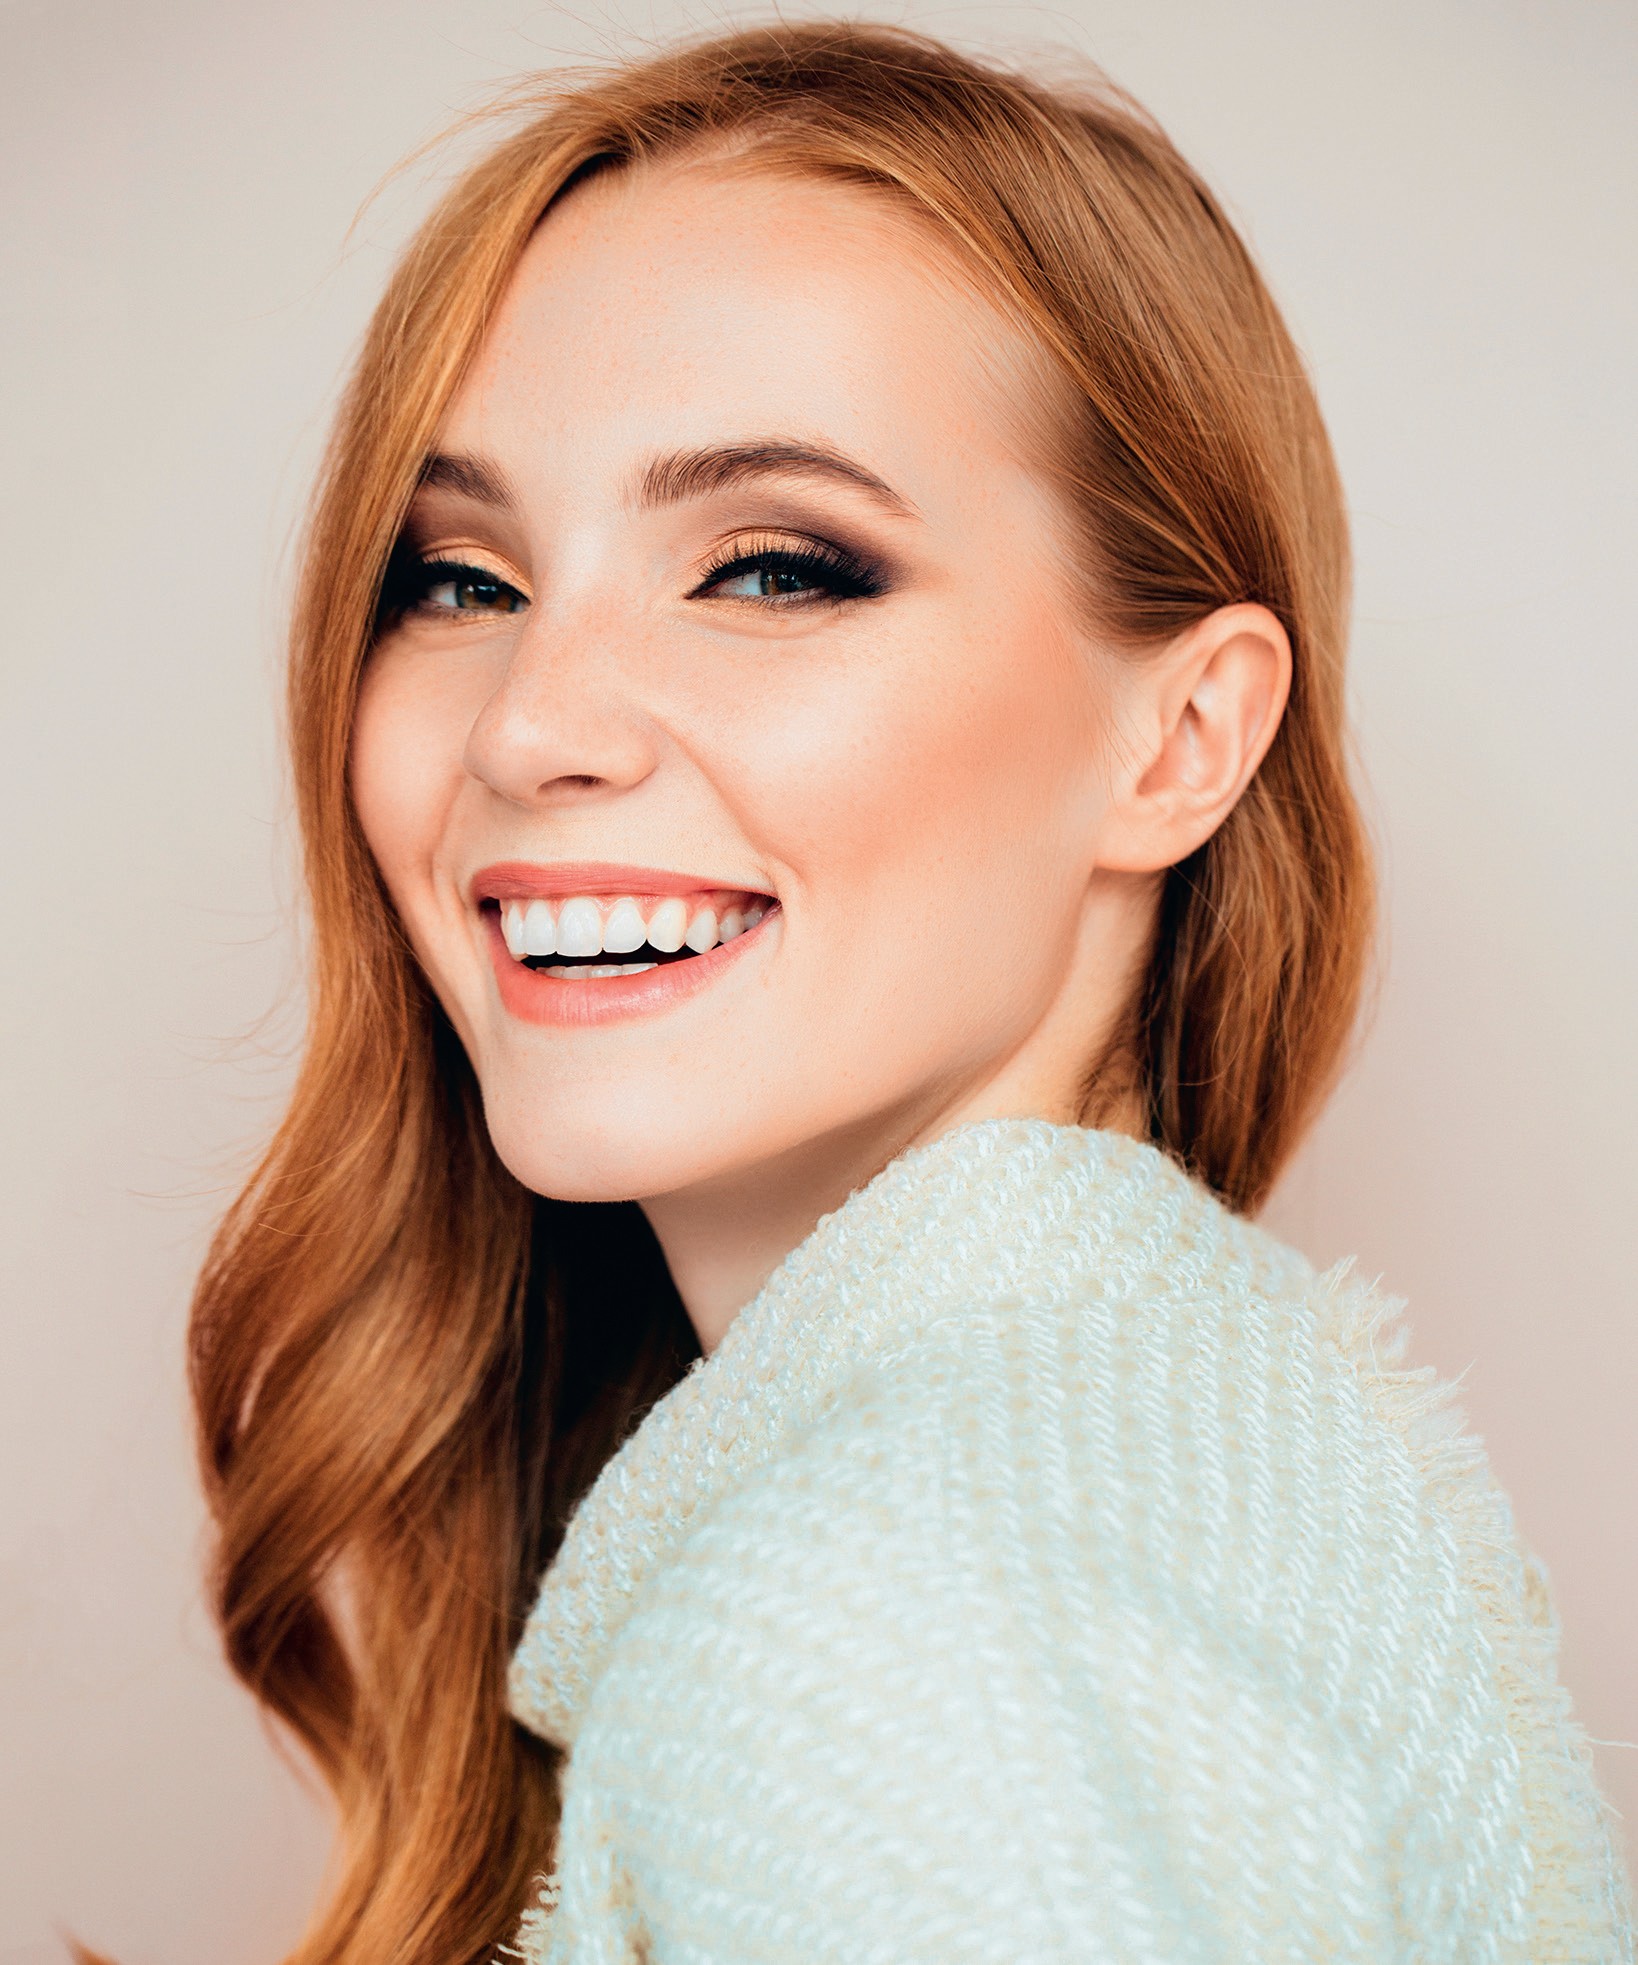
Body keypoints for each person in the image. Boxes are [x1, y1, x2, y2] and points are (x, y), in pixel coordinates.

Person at [189, 20, 1632, 1964]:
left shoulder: (901, 1616)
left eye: (777, 569)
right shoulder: (1169, 1466)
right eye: (459, 578)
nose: (529, 725)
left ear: (1181, 739)